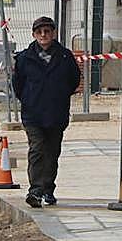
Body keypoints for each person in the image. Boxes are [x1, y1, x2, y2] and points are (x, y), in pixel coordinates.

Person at [11, 16, 81, 208]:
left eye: (47, 31)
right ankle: (35, 191)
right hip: (33, 114)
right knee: (37, 150)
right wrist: (28, 99)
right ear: (34, 35)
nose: (43, 35)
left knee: (52, 153)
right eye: (39, 32)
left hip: (56, 114)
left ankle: (48, 188)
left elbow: (74, 80)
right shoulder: (25, 58)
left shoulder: (65, 57)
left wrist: (59, 95)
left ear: (53, 33)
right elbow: (17, 84)